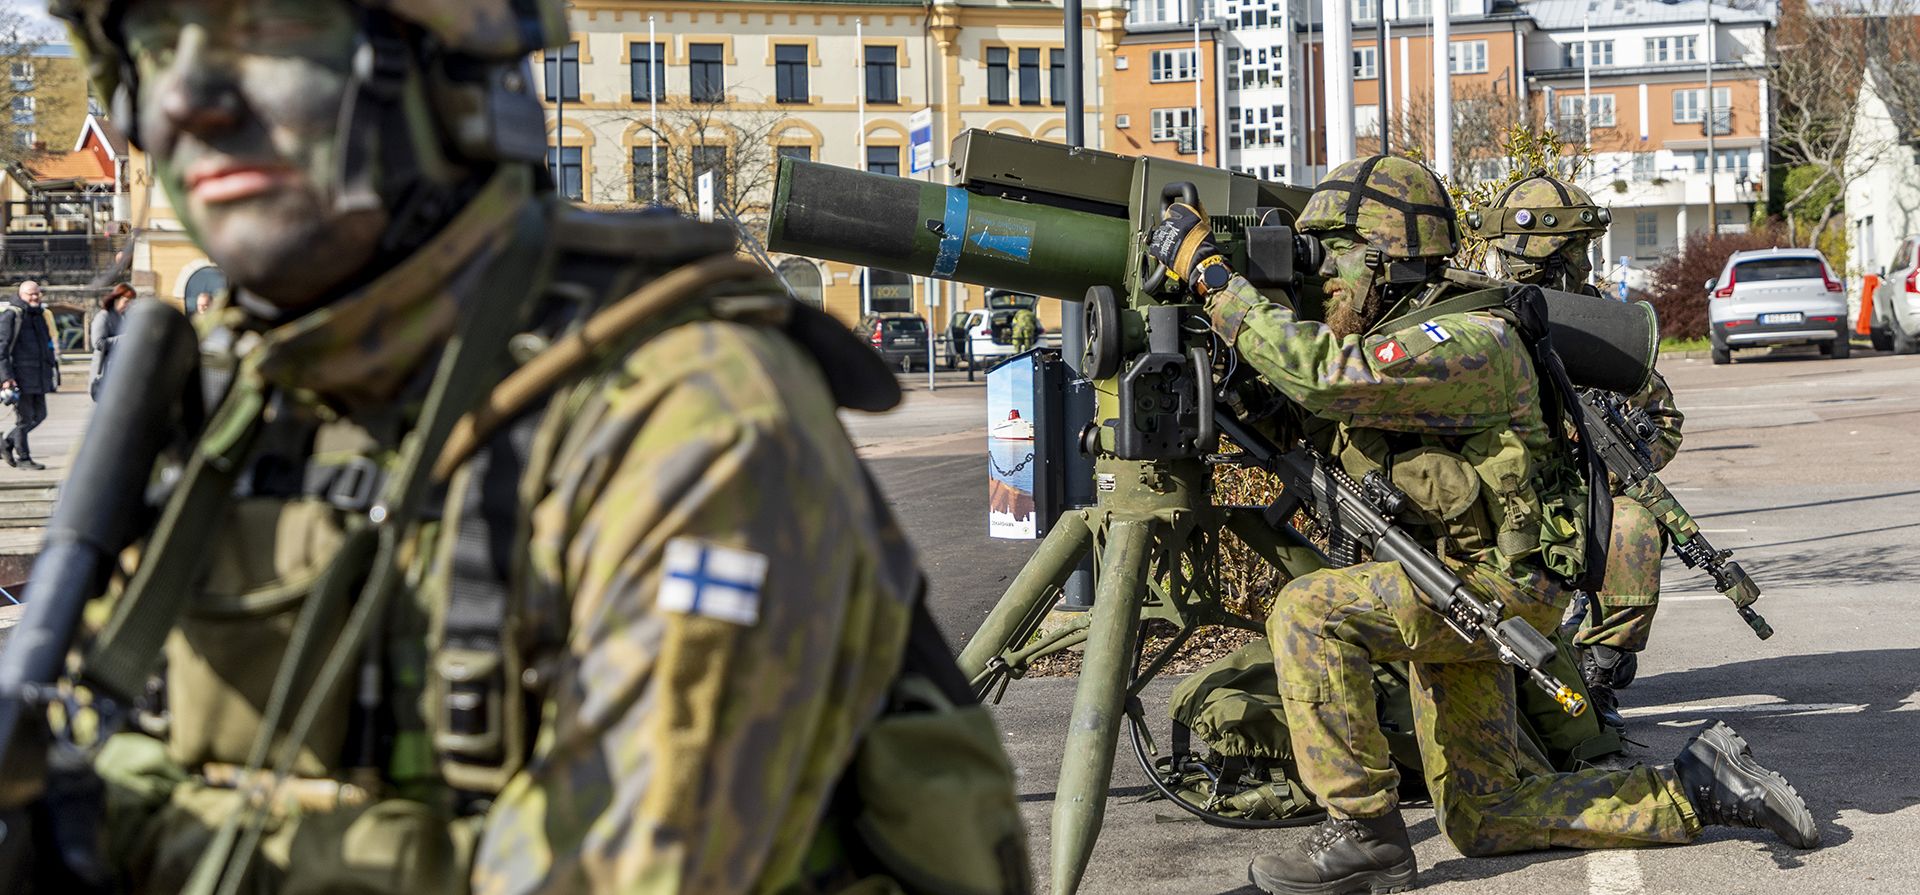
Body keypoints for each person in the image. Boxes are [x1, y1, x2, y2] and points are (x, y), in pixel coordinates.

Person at [42, 1, 1027, 892]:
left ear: (434, 77)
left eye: (266, 34)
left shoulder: (686, 407)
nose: (191, 99)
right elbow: (104, 728)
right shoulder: (230, 401)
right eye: (156, 46)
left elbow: (623, 871)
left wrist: (133, 836)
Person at [1146, 155, 1818, 895]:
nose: (1320, 282)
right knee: (1485, 813)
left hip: (1493, 586)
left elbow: (1328, 377)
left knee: (1309, 614)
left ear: (1384, 262)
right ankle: (1700, 786)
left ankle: (1366, 835)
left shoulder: (1469, 342)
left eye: (1330, 262)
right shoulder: (1405, 330)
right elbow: (1313, 405)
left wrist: (1211, 278)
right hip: (1452, 578)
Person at [1473, 174, 1686, 731]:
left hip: (1580, 497)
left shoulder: (1599, 327)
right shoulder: (1474, 316)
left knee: (1633, 529)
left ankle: (1597, 669)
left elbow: (1662, 421)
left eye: (1584, 251)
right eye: (1569, 253)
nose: (1582, 267)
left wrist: (1613, 468)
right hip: (1491, 497)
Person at [0, 279, 58, 470]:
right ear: (21, 295)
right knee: (25, 419)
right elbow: (2, 348)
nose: (34, 297)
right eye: (30, 294)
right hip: (20, 377)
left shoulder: (39, 315)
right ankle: (24, 458)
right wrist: (6, 378)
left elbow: (46, 345)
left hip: (39, 375)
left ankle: (6, 443)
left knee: (40, 415)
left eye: (37, 293)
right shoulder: (12, 315)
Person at [89, 282, 137, 401]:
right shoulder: (103, 316)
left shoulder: (125, 317)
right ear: (116, 299)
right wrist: (125, 338)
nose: (128, 305)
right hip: (105, 371)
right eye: (126, 301)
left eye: (131, 302)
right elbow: (98, 343)